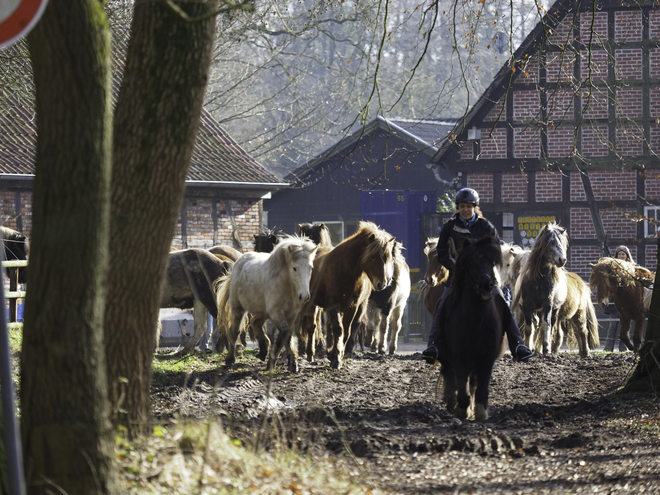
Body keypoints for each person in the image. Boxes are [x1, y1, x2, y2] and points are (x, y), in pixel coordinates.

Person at [421, 188, 534, 364]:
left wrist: (483, 268)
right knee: (442, 305)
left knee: (503, 304)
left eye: (469, 206)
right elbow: (442, 253)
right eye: (462, 206)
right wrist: (457, 267)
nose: (465, 210)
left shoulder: (486, 227)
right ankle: (433, 346)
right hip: (458, 276)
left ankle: (518, 345)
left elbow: (495, 251)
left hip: (485, 277)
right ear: (458, 208)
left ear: (475, 207)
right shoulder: (449, 228)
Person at [602, 245, 634, 352]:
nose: (621, 256)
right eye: (619, 254)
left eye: (623, 254)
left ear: (627, 256)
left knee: (624, 326)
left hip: (627, 302)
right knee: (613, 325)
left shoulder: (631, 267)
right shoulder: (611, 267)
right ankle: (608, 348)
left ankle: (623, 349)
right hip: (614, 301)